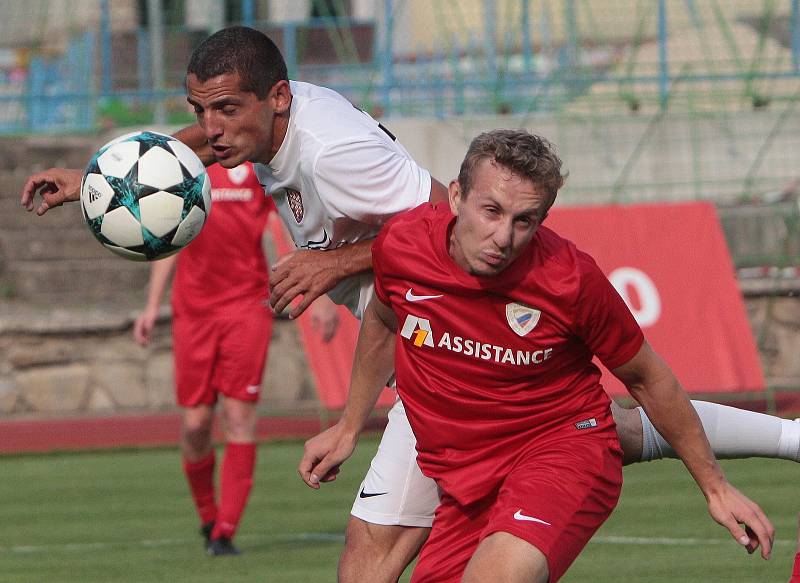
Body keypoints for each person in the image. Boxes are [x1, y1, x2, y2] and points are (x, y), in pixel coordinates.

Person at [19, 25, 796, 582]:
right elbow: (393, 280)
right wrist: (107, 176)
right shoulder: (262, 123)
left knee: (572, 424)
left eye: (226, 111)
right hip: (416, 345)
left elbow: (437, 220)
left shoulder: (337, 154)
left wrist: (330, 262)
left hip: (456, 322)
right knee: (381, 552)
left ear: (278, 100)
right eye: (201, 110)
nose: (211, 130)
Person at [299, 129, 775, 582]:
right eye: (492, 211)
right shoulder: (404, 244)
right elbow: (383, 321)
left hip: (564, 452)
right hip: (466, 483)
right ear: (458, 196)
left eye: (524, 220)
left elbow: (649, 377)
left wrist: (715, 487)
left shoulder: (570, 279)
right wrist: (348, 425)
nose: (503, 237)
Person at [133, 161, 339, 556]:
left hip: (246, 307)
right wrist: (151, 306)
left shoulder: (262, 167)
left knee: (240, 419)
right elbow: (167, 242)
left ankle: (225, 531)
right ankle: (208, 516)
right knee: (195, 424)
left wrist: (320, 297)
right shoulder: (189, 171)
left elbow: (290, 231)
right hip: (193, 311)